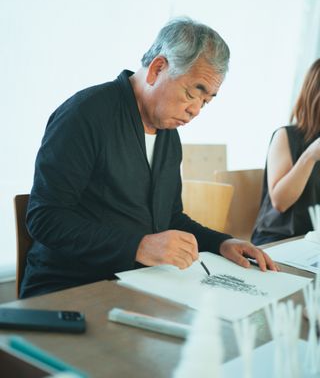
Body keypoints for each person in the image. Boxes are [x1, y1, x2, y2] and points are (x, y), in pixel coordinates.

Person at [21, 17, 277, 298]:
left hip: (137, 283)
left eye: (206, 102)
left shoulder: (168, 134)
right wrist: (138, 246)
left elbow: (169, 218)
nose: (195, 111)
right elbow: (45, 217)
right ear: (158, 68)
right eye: (193, 93)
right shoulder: (85, 114)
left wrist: (222, 242)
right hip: (71, 287)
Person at [252, 58, 320, 245]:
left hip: (314, 242)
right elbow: (280, 202)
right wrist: (310, 156)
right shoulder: (286, 136)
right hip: (280, 240)